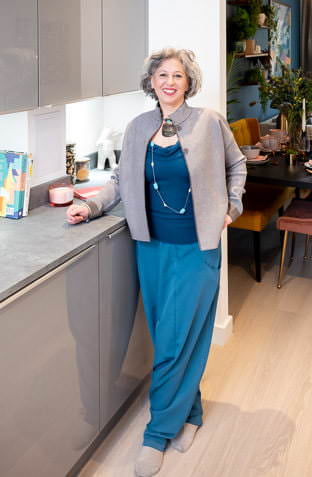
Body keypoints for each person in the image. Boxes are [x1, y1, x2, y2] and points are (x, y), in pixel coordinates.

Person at [66, 48, 246, 476]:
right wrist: (89, 209)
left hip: (196, 249)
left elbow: (236, 166)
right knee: (174, 336)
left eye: (178, 75)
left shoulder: (208, 122)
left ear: (189, 82)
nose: (169, 81)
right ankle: (192, 413)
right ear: (151, 81)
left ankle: (155, 433)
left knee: (172, 342)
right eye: (161, 74)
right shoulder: (139, 127)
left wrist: (231, 208)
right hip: (151, 247)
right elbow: (120, 182)